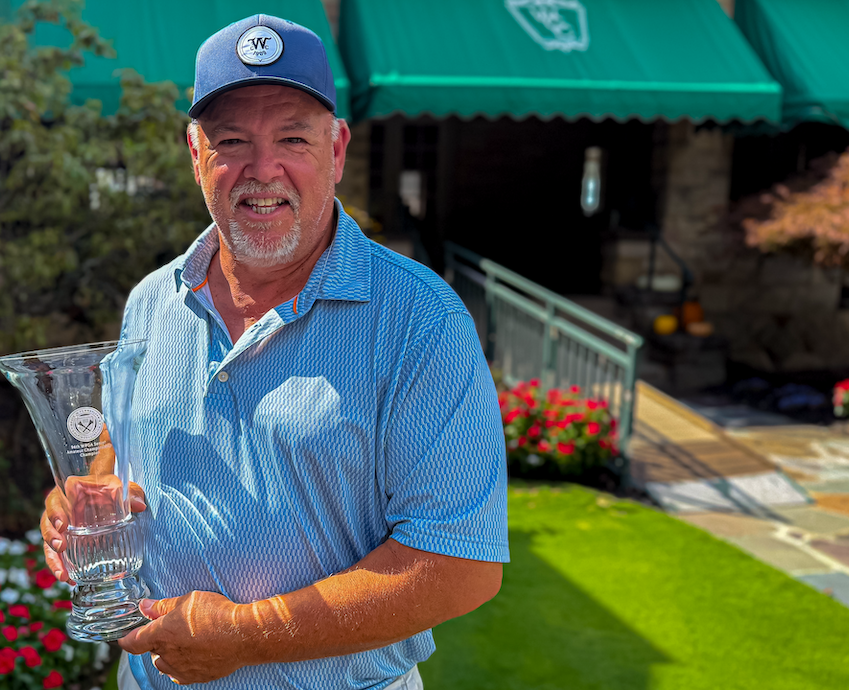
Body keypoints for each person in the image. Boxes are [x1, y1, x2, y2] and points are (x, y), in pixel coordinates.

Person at [40, 14, 509, 690]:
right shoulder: (150, 302)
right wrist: (82, 499)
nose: (263, 171)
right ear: (196, 153)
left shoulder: (421, 321)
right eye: (232, 141)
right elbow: (118, 450)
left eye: (292, 137)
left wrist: (246, 636)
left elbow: (459, 567)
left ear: (338, 149)